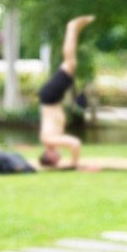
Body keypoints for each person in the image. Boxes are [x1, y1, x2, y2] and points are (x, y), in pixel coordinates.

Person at [38, 15, 95, 169]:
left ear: (48, 156)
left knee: (70, 63)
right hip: (52, 98)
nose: (59, 157)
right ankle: (73, 29)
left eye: (56, 160)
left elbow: (75, 144)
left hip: (50, 97)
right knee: (70, 63)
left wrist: (74, 165)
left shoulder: (49, 140)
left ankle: (72, 28)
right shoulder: (51, 139)